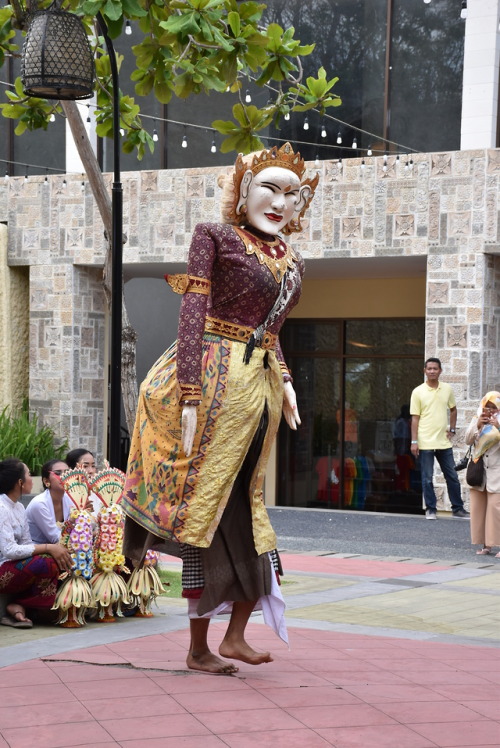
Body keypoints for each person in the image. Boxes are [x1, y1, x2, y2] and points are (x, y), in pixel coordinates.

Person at [122, 142, 318, 673]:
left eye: (293, 195)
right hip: (210, 376)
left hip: (259, 388)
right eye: (269, 189)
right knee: (203, 511)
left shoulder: (290, 258)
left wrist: (288, 383)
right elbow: (193, 311)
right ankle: (197, 648)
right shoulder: (214, 235)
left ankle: (231, 638)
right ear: (243, 192)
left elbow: (272, 332)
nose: (281, 202)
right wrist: (188, 391)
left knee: (251, 514)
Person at [0, 458, 73, 628]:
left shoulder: (18, 507)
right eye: (28, 474)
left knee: (51, 559)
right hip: (3, 567)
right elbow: (9, 550)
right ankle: (41, 609)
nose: (32, 478)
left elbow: (26, 543)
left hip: (13, 566)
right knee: (46, 561)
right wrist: (48, 548)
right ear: (20, 482)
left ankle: (22, 605)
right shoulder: (2, 507)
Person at [410, 357, 469, 520]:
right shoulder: (418, 391)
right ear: (424, 371)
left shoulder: (447, 389)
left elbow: (454, 410)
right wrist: (414, 442)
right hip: (425, 442)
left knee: (452, 476)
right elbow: (415, 418)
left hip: (443, 442)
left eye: (435, 368)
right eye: (429, 369)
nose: (432, 371)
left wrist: (452, 429)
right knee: (427, 478)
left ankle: (458, 508)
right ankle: (431, 509)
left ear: (440, 371)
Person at [464, 391, 500, 557]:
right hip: (479, 473)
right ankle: (486, 545)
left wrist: (498, 427)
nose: (491, 411)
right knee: (480, 509)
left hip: (496, 472)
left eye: (494, 408)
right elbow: (467, 440)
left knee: (496, 509)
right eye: (488, 407)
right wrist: (478, 424)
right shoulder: (477, 419)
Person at [26, 459, 72, 544]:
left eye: (67, 472)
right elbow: (55, 538)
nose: (64, 476)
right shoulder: (39, 503)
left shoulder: (70, 498)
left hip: (63, 546)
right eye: (58, 473)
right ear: (46, 481)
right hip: (37, 550)